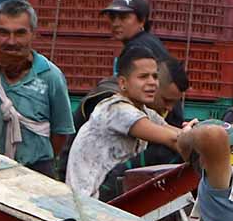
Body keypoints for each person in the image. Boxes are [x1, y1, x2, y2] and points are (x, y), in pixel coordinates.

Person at [0, 0, 74, 176]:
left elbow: (60, 133)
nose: (11, 42)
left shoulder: (51, 77)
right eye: (4, 33)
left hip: (35, 175)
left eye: (20, 33)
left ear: (33, 34)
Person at [66, 48, 189, 200]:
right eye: (143, 77)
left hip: (105, 190)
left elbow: (173, 131)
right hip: (88, 198)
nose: (152, 83)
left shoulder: (143, 110)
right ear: (123, 83)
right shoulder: (117, 110)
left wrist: (191, 131)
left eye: (155, 76)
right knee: (164, 152)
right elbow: (172, 139)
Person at [102, 0, 170, 62]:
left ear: (142, 21)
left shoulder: (137, 49)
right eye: (112, 17)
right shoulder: (149, 40)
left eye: (123, 17)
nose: (115, 24)